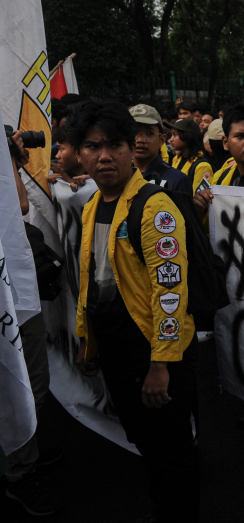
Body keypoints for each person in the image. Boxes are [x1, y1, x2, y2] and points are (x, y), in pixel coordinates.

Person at [69, 100, 199, 522]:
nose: (104, 156)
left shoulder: (154, 207)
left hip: (153, 353)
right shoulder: (93, 205)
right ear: (79, 152)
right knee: (148, 442)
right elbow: (91, 280)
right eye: (92, 146)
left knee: (170, 452)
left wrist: (160, 365)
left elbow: (171, 293)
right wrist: (87, 342)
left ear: (131, 148)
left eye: (115, 145)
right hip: (116, 351)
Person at [3, 131, 63, 517]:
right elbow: (20, 204)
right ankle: (18, 472)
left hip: (16, 292)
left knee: (28, 380)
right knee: (24, 382)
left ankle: (25, 451)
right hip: (13, 300)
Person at [129, 104, 192, 195]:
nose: (140, 140)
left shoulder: (176, 180)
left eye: (149, 133)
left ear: (162, 140)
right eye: (134, 132)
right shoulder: (118, 178)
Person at [165, 118, 214, 194]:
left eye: (175, 135)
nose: (171, 139)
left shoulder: (202, 166)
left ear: (187, 137)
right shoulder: (176, 159)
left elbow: (198, 200)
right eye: (171, 135)